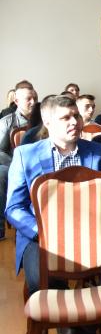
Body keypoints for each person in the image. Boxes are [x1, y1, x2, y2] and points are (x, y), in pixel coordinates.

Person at [6, 95, 101, 334]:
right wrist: (44, 232)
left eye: (76, 115)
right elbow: (14, 207)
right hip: (41, 236)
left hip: (90, 234)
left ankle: (81, 326)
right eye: (66, 117)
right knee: (38, 277)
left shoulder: (97, 153)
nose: (74, 121)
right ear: (48, 121)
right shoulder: (26, 154)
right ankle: (73, 329)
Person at [0, 81, 37, 233]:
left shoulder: (44, 120)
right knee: (0, 173)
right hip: (12, 165)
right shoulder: (6, 122)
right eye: (29, 99)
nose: (33, 102)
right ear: (16, 101)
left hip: (38, 164)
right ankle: (1, 225)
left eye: (35, 98)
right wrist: (17, 165)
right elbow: (0, 151)